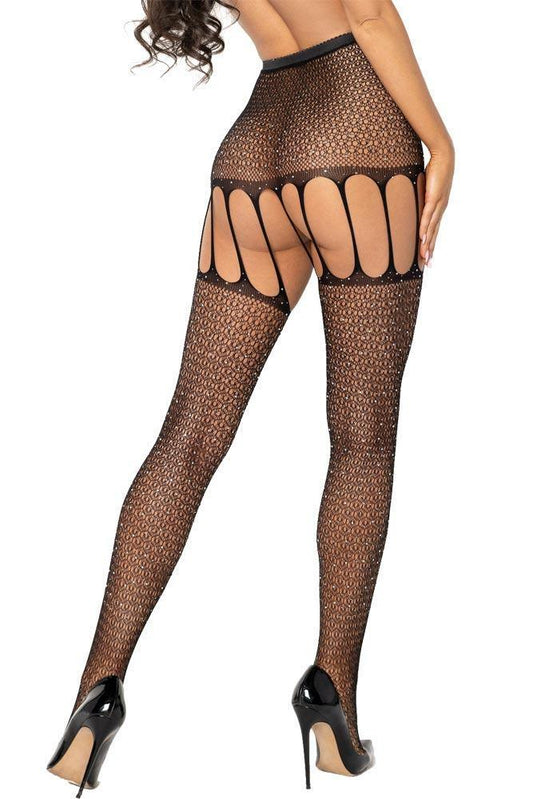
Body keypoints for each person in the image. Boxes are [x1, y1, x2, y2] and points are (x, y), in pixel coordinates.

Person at [46, 0, 455, 793]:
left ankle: (94, 694)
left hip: (256, 138)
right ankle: (331, 695)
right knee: (362, 436)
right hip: (355, 130)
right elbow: (367, 12)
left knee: (188, 435)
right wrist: (439, 142)